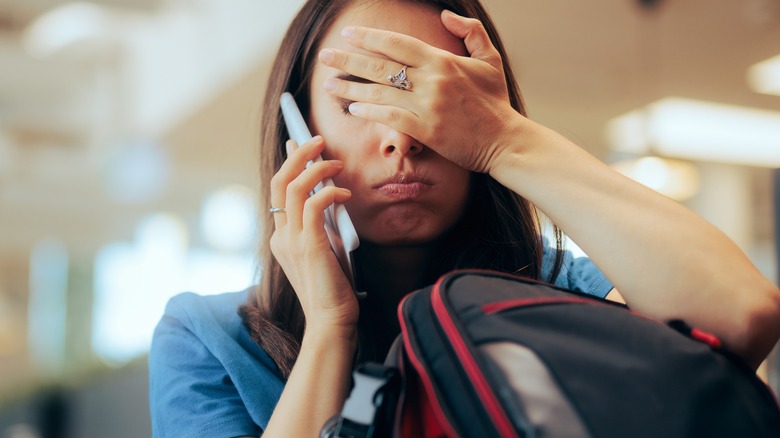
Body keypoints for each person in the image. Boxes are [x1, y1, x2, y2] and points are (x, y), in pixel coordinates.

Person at [148, 0, 780, 436]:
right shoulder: (206, 339)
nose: (402, 136)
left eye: (431, 99)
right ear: (298, 132)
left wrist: (507, 140)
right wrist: (329, 327)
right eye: (358, 101)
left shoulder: (566, 295)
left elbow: (741, 315)